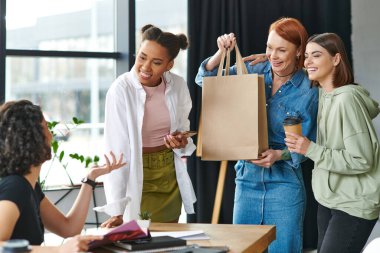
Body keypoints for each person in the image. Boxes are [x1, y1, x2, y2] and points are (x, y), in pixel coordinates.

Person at [195, 17, 318, 253]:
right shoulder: (253, 68)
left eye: (282, 50)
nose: (273, 55)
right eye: (269, 48)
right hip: (246, 178)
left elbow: (307, 146)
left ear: (299, 50)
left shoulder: (309, 89)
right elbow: (205, 81)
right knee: (243, 249)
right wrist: (220, 53)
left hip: (285, 183)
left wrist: (278, 154)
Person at [285, 33, 380, 253]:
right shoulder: (324, 95)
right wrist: (269, 58)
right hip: (331, 199)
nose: (308, 62)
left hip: (353, 203)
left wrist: (310, 149)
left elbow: (362, 160)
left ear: (336, 59)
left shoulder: (346, 100)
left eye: (316, 56)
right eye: (306, 56)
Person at [100, 24, 196, 227]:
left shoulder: (177, 85)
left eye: (157, 62)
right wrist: (116, 210)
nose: (145, 67)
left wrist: (180, 140)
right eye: (142, 57)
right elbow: (116, 148)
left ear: (169, 65)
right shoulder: (121, 90)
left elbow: (183, 130)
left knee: (169, 241)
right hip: (136, 173)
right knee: (140, 241)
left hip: (168, 175)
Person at [0, 100, 126, 252]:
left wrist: (90, 178)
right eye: (46, 127)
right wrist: (58, 250)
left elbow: (69, 228)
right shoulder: (15, 187)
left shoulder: (30, 187)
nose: (51, 135)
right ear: (32, 137)